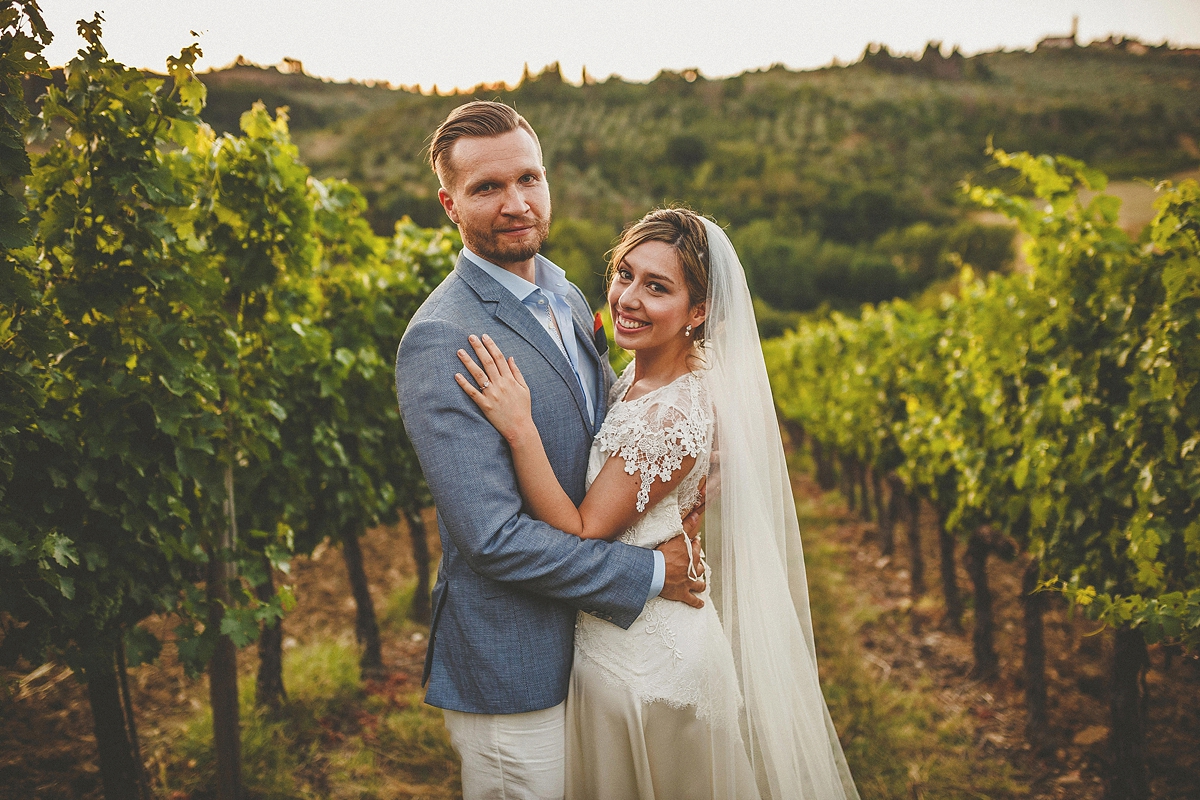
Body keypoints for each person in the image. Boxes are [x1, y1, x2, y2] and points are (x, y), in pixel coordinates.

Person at [455, 208, 861, 799]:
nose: (629, 298)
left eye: (658, 287)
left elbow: (583, 527)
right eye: (625, 274)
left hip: (644, 666)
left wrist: (519, 428)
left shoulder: (669, 412)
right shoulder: (636, 380)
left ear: (699, 313)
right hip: (621, 636)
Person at [394, 101, 707, 800]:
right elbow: (494, 541)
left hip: (599, 650)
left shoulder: (565, 291)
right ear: (449, 203)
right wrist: (651, 573)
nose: (516, 203)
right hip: (515, 666)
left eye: (528, 179)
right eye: (487, 188)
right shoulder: (442, 337)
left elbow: (613, 432)